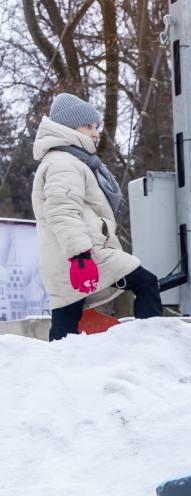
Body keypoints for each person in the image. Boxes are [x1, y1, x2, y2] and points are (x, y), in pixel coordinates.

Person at [31, 92, 163, 341]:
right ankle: (150, 343)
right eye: (88, 126)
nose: (95, 132)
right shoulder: (63, 163)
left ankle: (53, 371)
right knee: (146, 282)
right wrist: (80, 255)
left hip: (66, 256)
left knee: (65, 324)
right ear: (68, 128)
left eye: (96, 126)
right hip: (82, 254)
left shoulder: (69, 160)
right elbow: (62, 210)